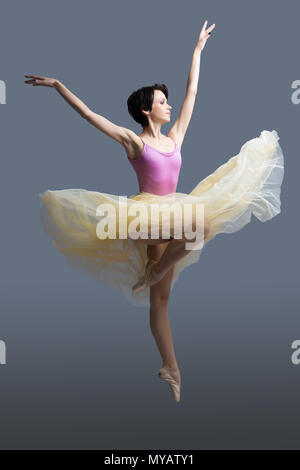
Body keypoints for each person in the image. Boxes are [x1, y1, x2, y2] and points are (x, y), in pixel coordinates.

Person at [24, 20, 284, 403]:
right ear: (147, 111)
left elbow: (192, 91)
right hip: (144, 217)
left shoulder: (175, 137)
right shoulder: (134, 142)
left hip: (173, 212)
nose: (170, 105)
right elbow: (90, 116)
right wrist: (59, 86)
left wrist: (197, 50)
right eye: (163, 102)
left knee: (160, 299)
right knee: (199, 227)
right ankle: (156, 270)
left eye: (168, 100)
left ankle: (171, 367)